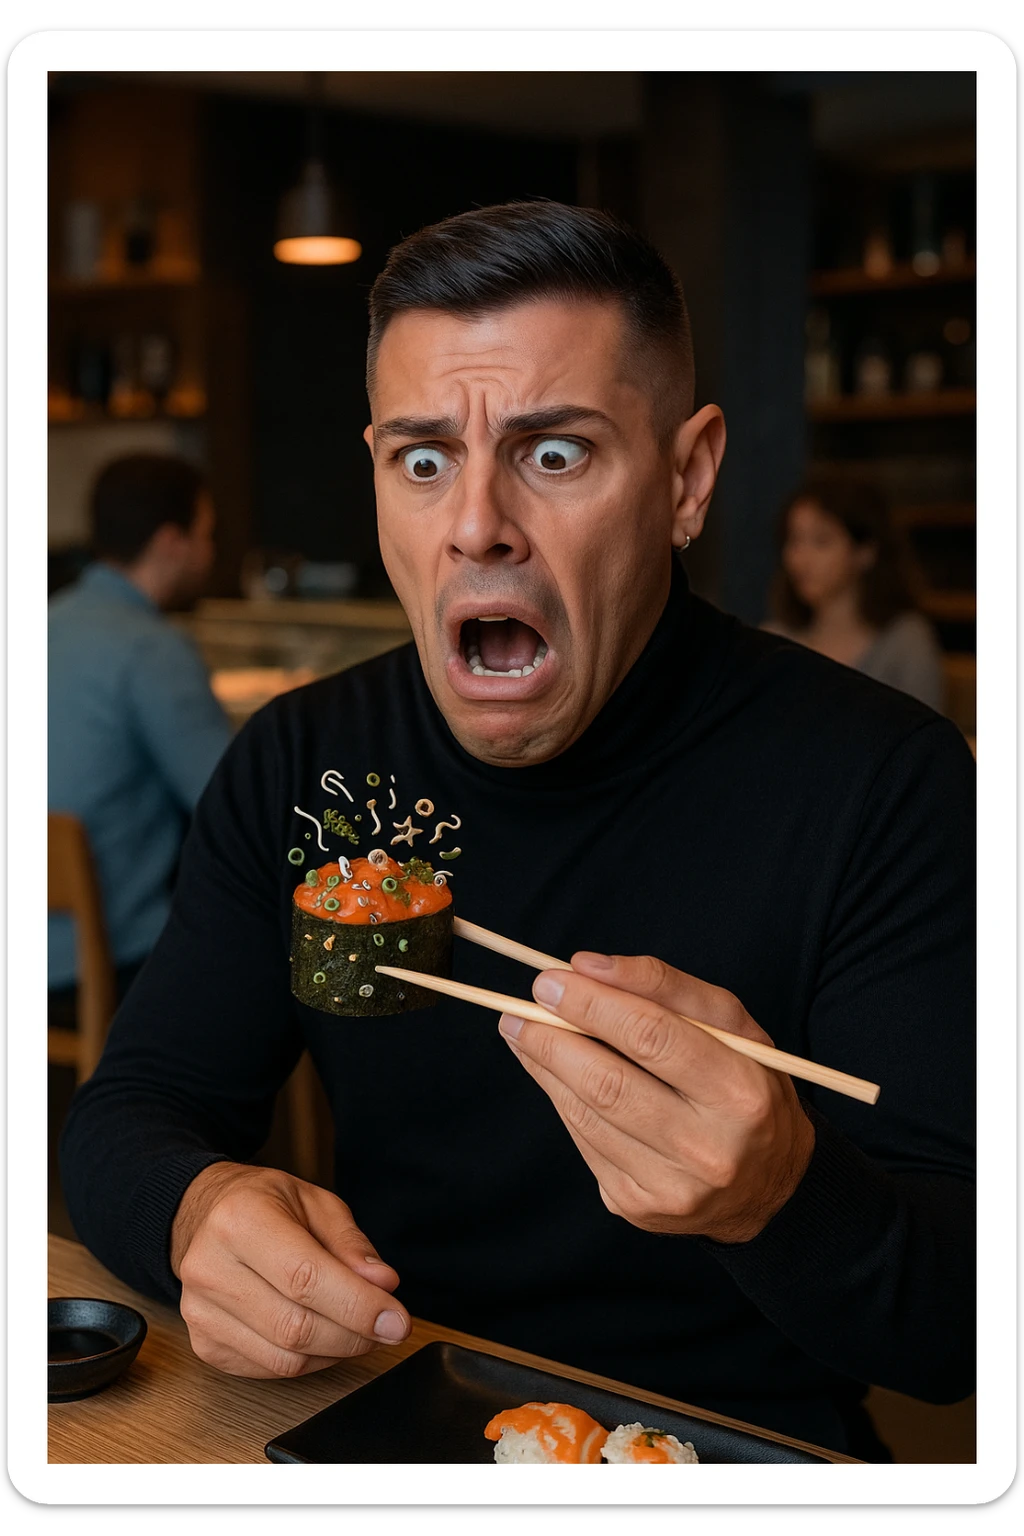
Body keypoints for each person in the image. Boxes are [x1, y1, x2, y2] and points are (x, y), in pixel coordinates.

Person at [59, 203, 975, 1462]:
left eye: (553, 453)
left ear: (687, 479)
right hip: (382, 1396)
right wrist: (195, 1205)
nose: (475, 523)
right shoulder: (303, 763)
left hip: (737, 1441)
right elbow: (131, 1109)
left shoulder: (884, 780)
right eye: (423, 461)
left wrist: (778, 1193)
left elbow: (956, 1334)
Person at [48, 453, 233, 1000]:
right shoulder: (152, 648)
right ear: (171, 542)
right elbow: (226, 802)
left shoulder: (46, 618)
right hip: (102, 963)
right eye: (206, 534)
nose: (210, 550)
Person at [764, 477, 946, 712]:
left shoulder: (905, 642)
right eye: (794, 541)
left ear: (865, 551)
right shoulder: (775, 640)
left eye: (821, 541)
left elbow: (928, 731)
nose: (800, 560)